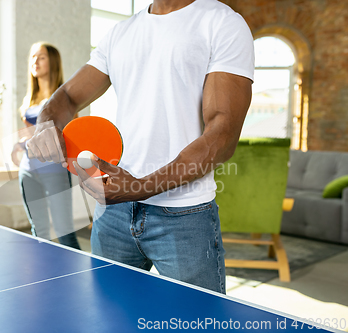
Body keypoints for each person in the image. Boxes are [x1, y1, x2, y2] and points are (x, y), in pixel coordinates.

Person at [25, 0, 254, 294]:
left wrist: (139, 187)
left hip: (184, 215)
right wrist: (45, 124)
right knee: (109, 320)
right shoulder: (120, 32)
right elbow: (67, 95)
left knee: (197, 323)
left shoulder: (222, 23)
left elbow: (222, 135)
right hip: (114, 214)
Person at [11, 42, 80, 249]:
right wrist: (21, 143)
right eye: (32, 57)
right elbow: (32, 136)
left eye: (41, 57)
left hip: (55, 172)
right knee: (38, 232)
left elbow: (70, 135)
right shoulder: (28, 100)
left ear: (53, 61)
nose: (35, 61)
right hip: (28, 171)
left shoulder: (64, 98)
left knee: (64, 232)